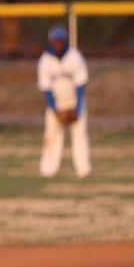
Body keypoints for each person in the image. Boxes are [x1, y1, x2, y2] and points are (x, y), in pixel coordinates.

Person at [36, 24, 91, 178]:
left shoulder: (75, 57)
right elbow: (46, 89)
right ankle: (48, 170)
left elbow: (80, 84)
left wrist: (77, 109)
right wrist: (55, 110)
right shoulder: (45, 60)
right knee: (51, 136)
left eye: (60, 40)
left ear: (65, 41)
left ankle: (83, 170)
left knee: (80, 136)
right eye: (55, 41)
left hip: (75, 102)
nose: (58, 44)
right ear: (51, 42)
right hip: (56, 104)